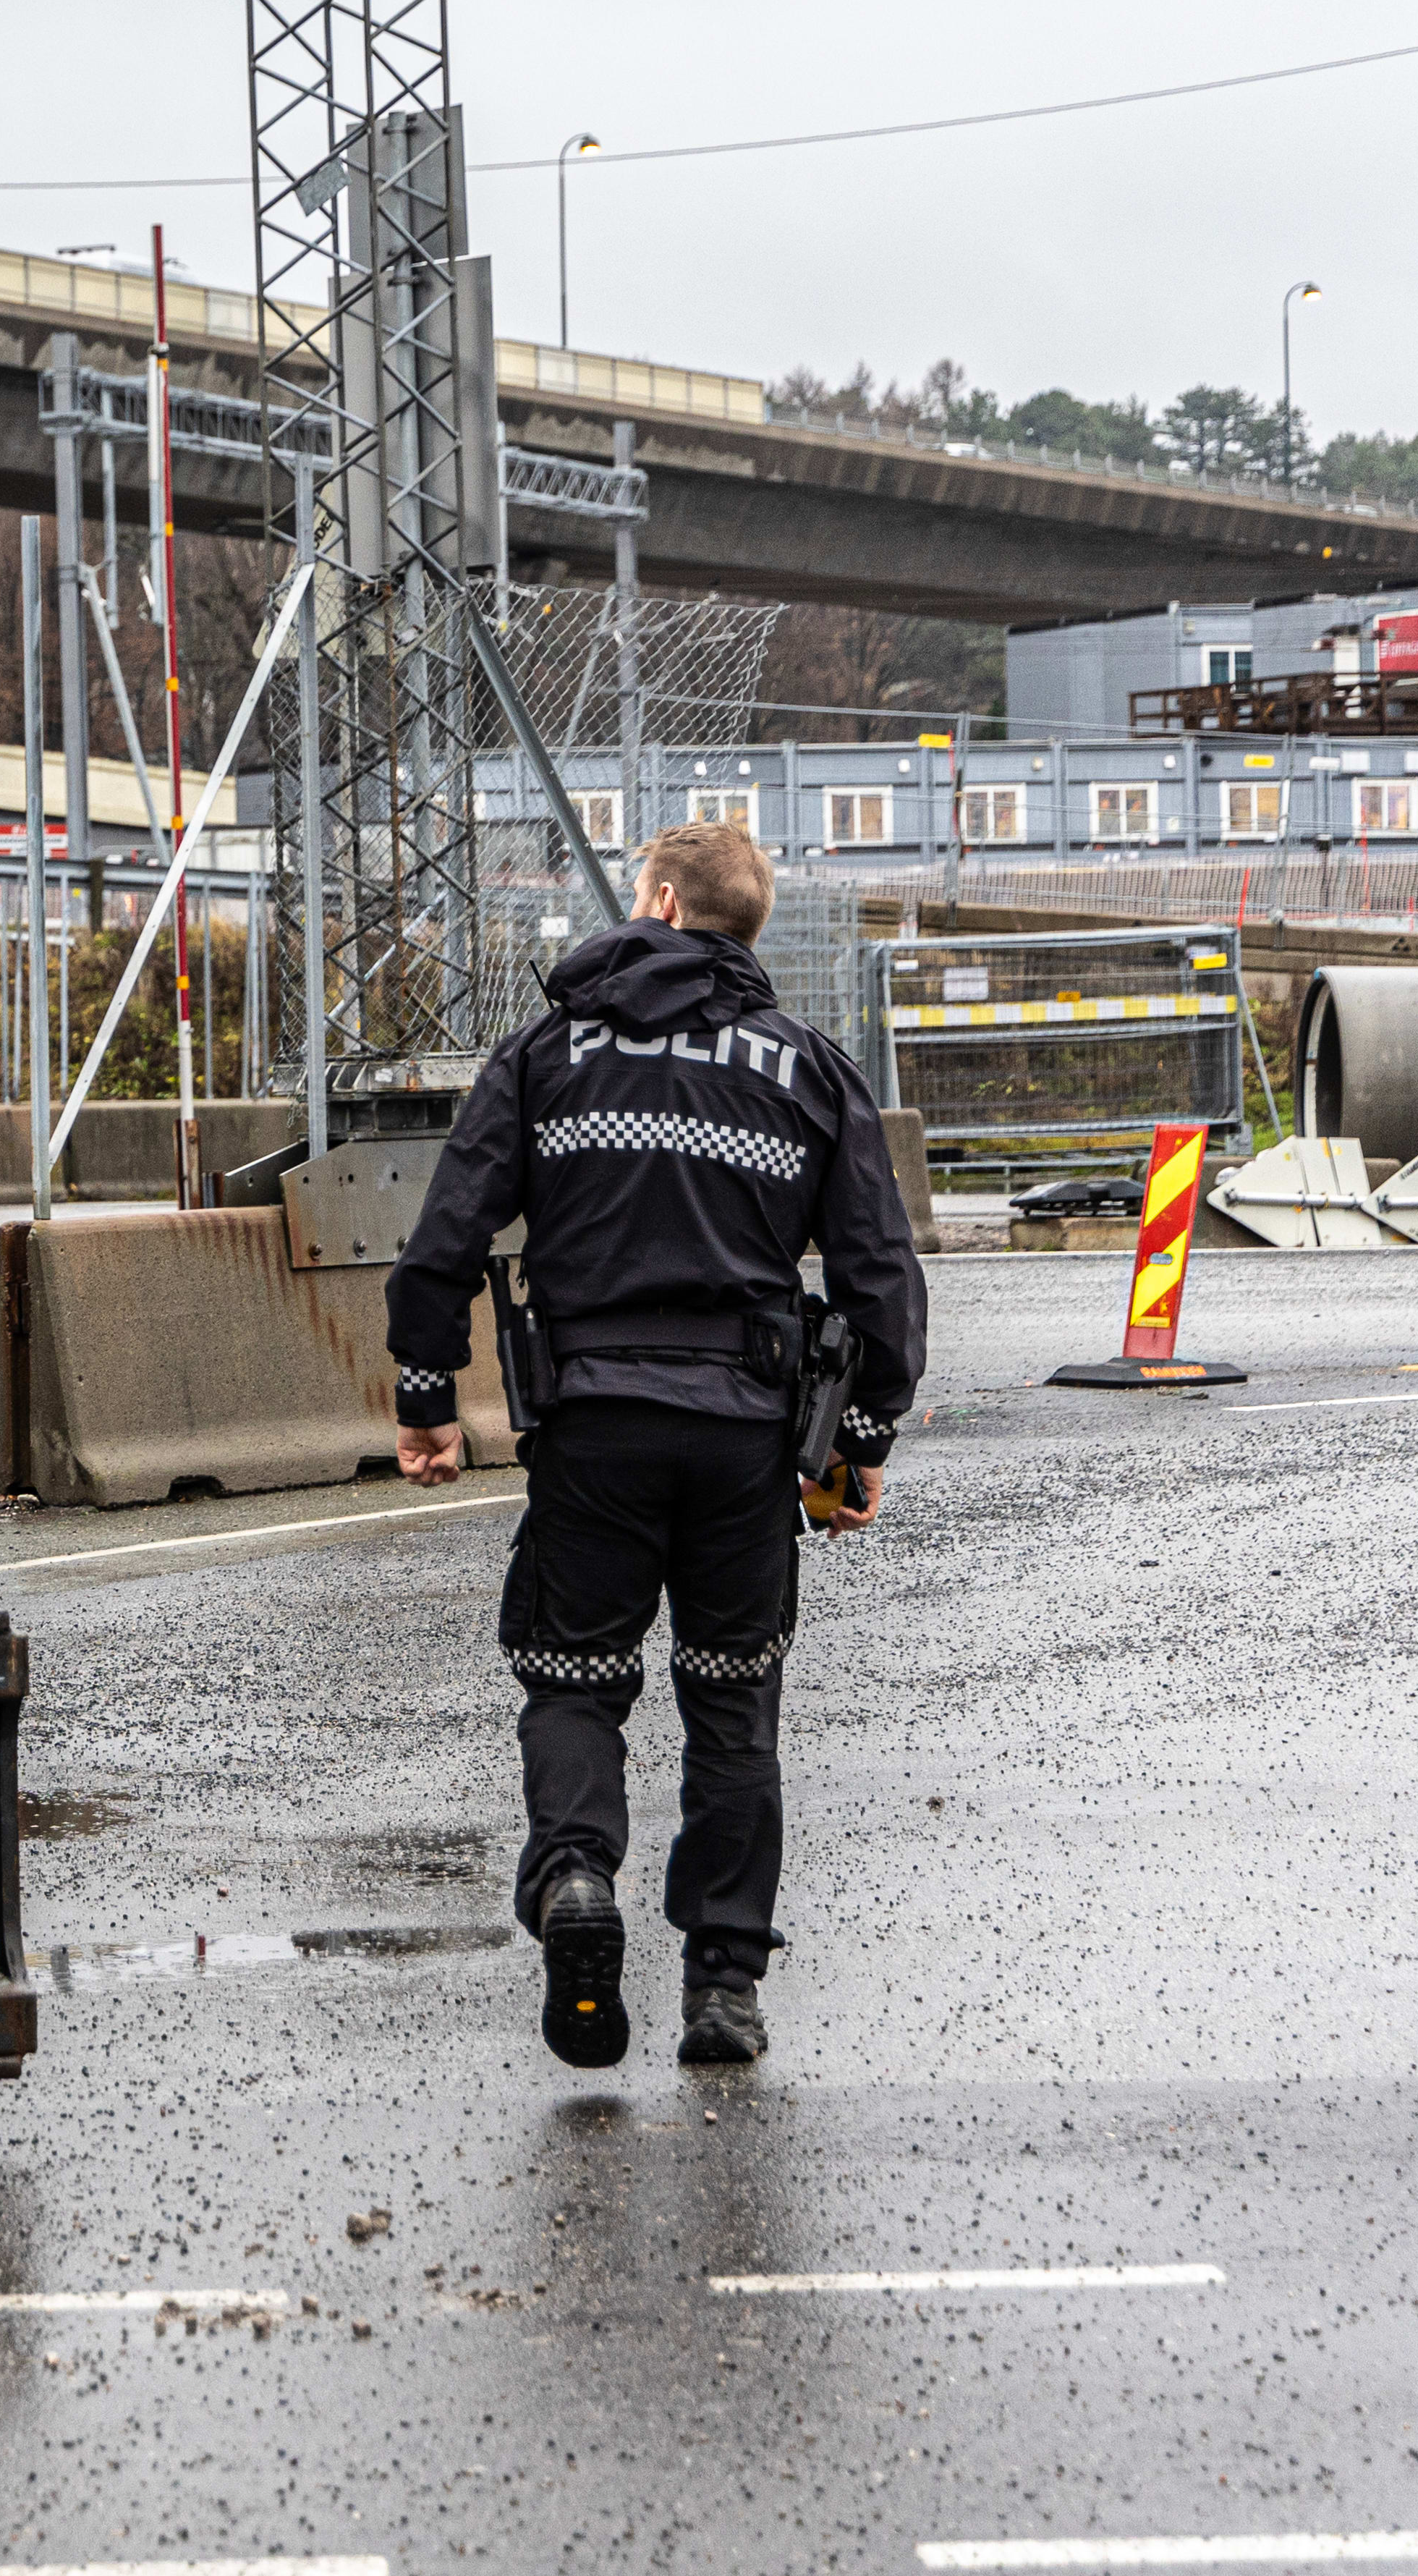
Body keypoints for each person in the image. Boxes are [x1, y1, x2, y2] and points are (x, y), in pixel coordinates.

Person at [383, 821, 923, 2069]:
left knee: (572, 1679)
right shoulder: (805, 1067)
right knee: (733, 1703)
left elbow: (447, 1227)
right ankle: (723, 1986)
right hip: (745, 1434)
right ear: (748, 925)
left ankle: (575, 1874)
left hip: (590, 1423)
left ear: (660, 902)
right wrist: (860, 1436)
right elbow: (876, 1270)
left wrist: (425, 1393)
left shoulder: (546, 1052)